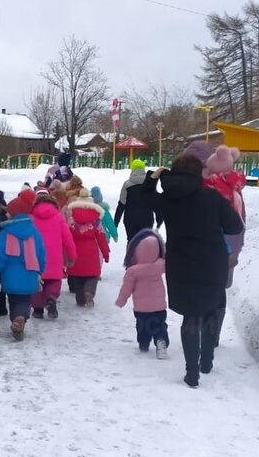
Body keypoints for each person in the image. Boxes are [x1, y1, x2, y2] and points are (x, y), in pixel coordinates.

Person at [156, 154, 244, 388]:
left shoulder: (166, 199)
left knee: (190, 315)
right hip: (212, 262)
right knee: (210, 309)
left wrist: (155, 177)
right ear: (198, 173)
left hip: (180, 264)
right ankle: (206, 361)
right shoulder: (211, 197)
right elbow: (235, 226)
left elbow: (146, 198)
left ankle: (191, 372)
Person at [0, 189, 46, 340]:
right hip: (29, 274)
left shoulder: (5, 233)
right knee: (25, 300)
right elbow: (41, 253)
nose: (6, 214)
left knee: (14, 299)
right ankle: (20, 318)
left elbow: (0, 255)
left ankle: (16, 318)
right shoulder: (34, 232)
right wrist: (40, 270)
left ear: (14, 214)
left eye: (9, 212)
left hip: (10, 275)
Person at [114, 229, 169, 357]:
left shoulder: (133, 271)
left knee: (142, 326)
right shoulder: (161, 264)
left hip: (141, 308)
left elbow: (126, 288)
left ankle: (144, 343)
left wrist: (121, 301)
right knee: (160, 325)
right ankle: (161, 342)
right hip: (159, 306)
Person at [29, 189, 77, 320]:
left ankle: (38, 309)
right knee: (54, 280)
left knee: (37, 282)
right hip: (55, 256)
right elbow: (67, 238)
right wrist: (72, 255)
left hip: (35, 256)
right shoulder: (58, 216)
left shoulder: (31, 217)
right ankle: (51, 297)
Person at [63, 188, 110, 307]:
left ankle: (80, 299)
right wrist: (105, 253)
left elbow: (66, 236)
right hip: (91, 252)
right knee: (92, 275)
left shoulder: (71, 218)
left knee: (77, 277)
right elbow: (101, 237)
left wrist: (64, 253)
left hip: (75, 251)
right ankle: (89, 292)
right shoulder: (96, 219)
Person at [116, 159, 160, 239]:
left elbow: (121, 204)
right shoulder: (149, 184)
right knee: (146, 243)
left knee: (131, 243)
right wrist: (158, 220)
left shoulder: (127, 184)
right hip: (147, 218)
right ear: (143, 169)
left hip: (130, 219)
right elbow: (155, 202)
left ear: (132, 169)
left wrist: (115, 223)